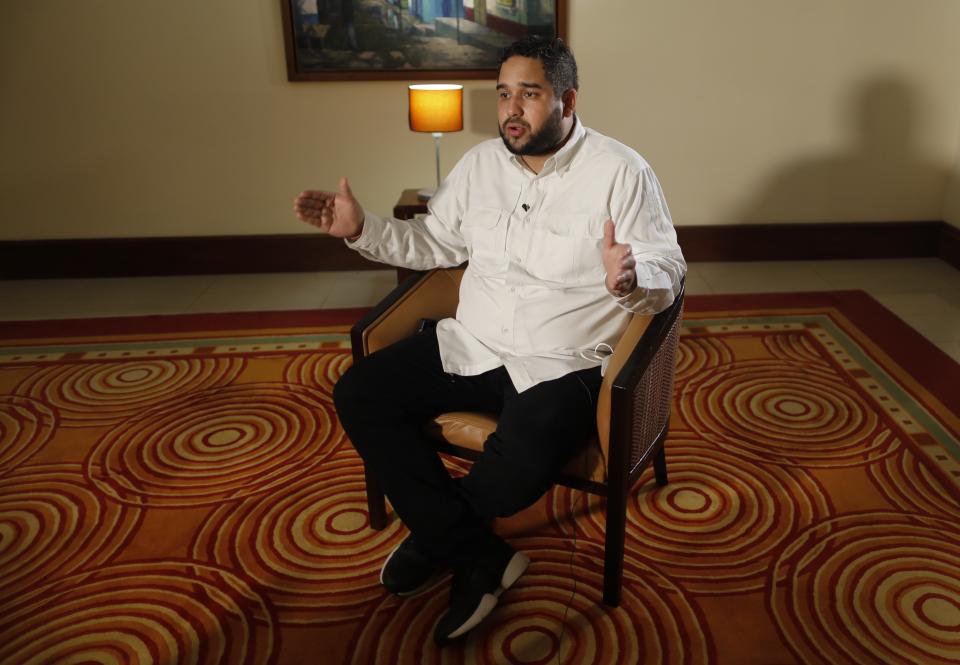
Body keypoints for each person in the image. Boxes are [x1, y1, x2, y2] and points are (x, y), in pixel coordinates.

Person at [293, 36, 685, 645]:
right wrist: (362, 229)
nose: (512, 110)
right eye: (504, 94)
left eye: (529, 94)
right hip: (472, 344)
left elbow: (669, 270)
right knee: (360, 392)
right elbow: (435, 245)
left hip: (565, 363)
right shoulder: (479, 165)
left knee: (522, 457)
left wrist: (631, 278)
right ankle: (479, 555)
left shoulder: (621, 170)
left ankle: (438, 539)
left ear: (567, 98)